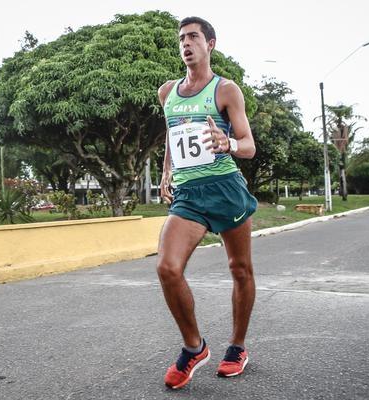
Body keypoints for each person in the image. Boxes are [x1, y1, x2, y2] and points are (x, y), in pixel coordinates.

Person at [156, 16, 258, 389]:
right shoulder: (167, 92)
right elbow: (172, 136)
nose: (186, 43)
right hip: (189, 195)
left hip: (225, 187)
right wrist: (166, 172)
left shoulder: (226, 90)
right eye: (182, 38)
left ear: (210, 44)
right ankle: (194, 346)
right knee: (168, 267)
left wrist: (227, 143)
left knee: (240, 268)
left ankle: (237, 347)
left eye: (194, 37)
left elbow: (248, 145)